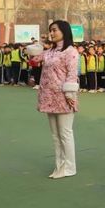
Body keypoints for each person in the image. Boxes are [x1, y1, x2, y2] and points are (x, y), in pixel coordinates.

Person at [36, 21, 80, 179]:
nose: (51, 33)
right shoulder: (50, 52)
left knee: (65, 133)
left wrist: (69, 94)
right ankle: (59, 165)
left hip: (64, 97)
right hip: (49, 96)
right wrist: (39, 43)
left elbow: (72, 74)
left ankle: (70, 167)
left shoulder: (71, 51)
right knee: (55, 135)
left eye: (54, 30)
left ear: (64, 31)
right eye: (50, 31)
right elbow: (34, 59)